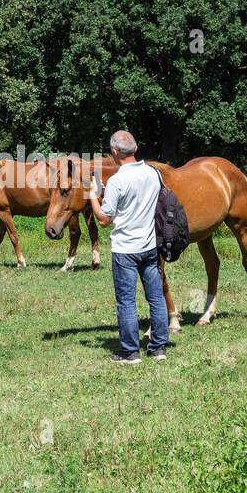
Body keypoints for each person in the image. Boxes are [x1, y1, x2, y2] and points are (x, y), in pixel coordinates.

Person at [85, 130, 169, 363]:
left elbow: (104, 219)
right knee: (156, 297)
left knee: (126, 301)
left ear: (114, 152)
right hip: (150, 245)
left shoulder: (117, 180)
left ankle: (130, 351)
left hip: (125, 249)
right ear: (135, 148)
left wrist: (93, 195)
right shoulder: (154, 173)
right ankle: (159, 347)